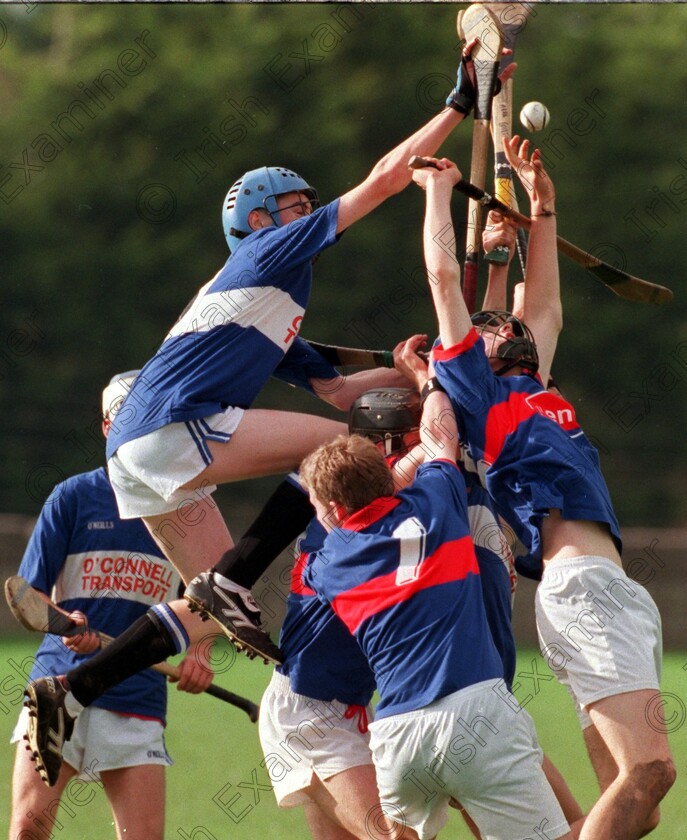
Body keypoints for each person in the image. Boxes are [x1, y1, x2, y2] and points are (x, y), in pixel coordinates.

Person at [103, 43, 516, 666]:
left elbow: (342, 393)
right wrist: (457, 104)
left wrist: (423, 372)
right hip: (166, 427)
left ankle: (76, 686)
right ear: (262, 220)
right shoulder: (266, 254)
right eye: (297, 205)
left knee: (210, 613)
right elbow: (384, 179)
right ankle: (297, 569)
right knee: (333, 455)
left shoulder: (263, 301)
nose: (309, 213)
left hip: (138, 448)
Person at [405, 141, 675, 839]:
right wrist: (438, 192)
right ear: (469, 357)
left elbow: (545, 302)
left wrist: (540, 205)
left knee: (637, 807)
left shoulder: (534, 388)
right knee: (649, 773)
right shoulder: (481, 398)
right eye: (489, 329)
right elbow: (443, 281)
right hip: (580, 586)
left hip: (610, 590)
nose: (504, 329)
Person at [297, 356, 573, 840]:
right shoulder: (437, 499)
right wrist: (430, 381)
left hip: (397, 734)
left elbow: (344, 517)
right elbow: (439, 440)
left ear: (333, 510)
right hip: (476, 707)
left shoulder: (326, 564)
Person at [11, 372, 215, 836]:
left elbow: (211, 598)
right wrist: (67, 624)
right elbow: (28, 596)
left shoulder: (186, 509)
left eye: (149, 421)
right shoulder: (73, 497)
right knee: (27, 828)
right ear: (108, 428)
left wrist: (199, 653)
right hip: (57, 689)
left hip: (136, 699)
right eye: (126, 421)